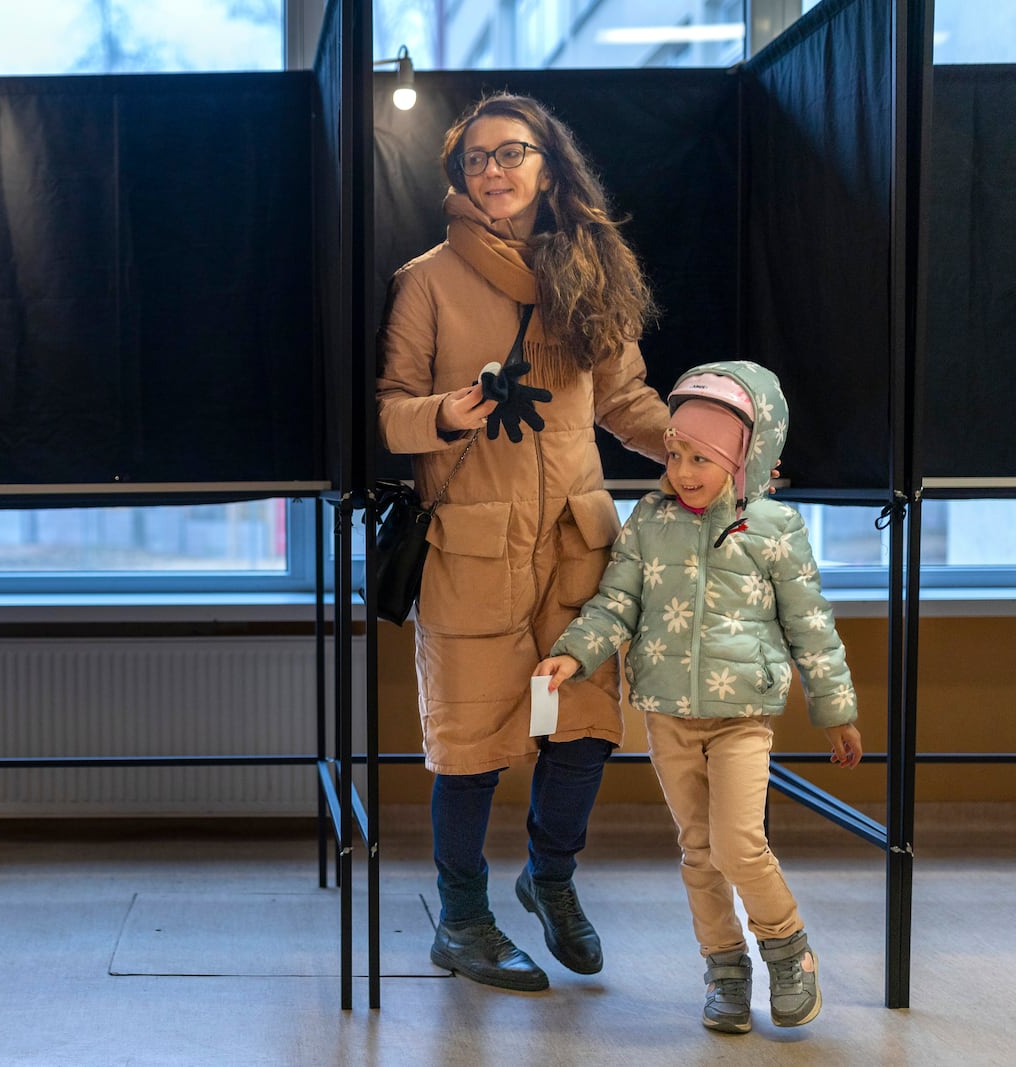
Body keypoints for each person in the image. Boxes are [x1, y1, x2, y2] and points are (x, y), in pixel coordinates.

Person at [376, 91, 673, 992]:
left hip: (578, 542)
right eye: (475, 159)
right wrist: (450, 412)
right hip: (472, 547)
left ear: (550, 165)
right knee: (468, 745)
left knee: (585, 729)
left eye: (511, 153)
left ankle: (549, 879)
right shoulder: (427, 278)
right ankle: (462, 920)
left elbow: (626, 403)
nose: (493, 171)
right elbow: (391, 414)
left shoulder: (595, 269)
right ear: (458, 177)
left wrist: (710, 450)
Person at [535, 360, 863, 1033]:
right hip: (668, 716)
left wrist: (836, 712)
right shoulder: (649, 521)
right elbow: (617, 602)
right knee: (698, 849)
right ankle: (725, 967)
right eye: (676, 453)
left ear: (745, 460)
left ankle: (788, 948)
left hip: (743, 716)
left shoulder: (774, 530)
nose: (683, 470)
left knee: (740, 843)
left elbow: (813, 628)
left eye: (702, 458)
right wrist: (575, 650)